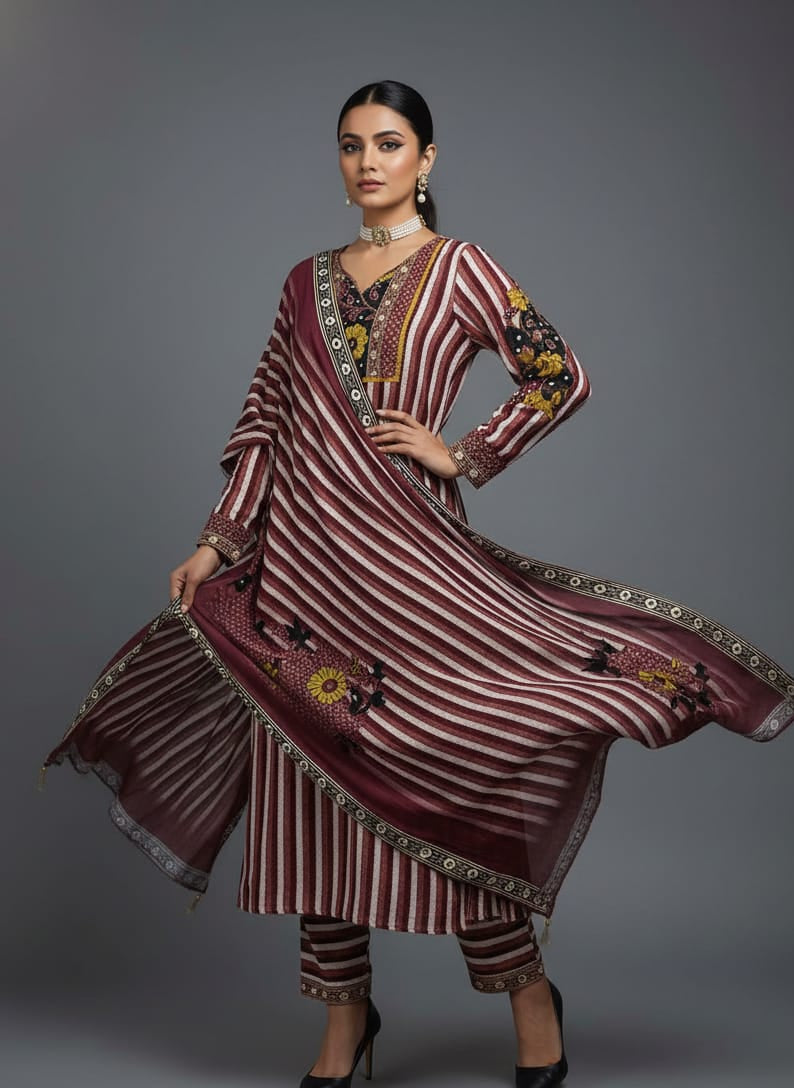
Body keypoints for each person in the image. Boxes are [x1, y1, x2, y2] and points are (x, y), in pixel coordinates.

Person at [38, 80, 793, 1088]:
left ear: (426, 159)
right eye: (349, 145)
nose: (367, 162)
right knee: (310, 780)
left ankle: (527, 994)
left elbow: (554, 373)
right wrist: (218, 542)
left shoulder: (459, 267)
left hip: (414, 569)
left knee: (446, 762)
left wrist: (465, 454)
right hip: (303, 573)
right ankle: (344, 1019)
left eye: (388, 144)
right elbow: (266, 420)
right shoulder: (302, 281)